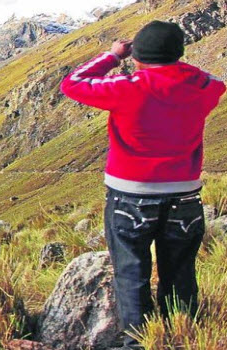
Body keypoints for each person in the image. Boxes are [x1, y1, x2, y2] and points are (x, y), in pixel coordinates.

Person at [60, 21, 226, 349]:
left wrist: (112, 57)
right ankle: (184, 336)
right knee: (180, 274)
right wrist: (175, 64)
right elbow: (215, 81)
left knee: (132, 274)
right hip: (185, 196)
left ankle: (139, 341)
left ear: (138, 57)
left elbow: (73, 83)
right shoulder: (200, 89)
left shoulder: (128, 88)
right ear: (178, 54)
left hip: (130, 197)